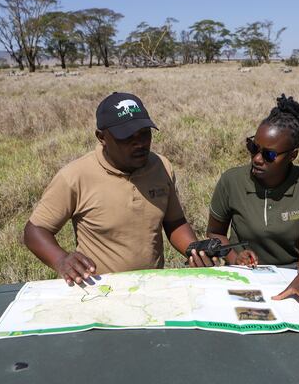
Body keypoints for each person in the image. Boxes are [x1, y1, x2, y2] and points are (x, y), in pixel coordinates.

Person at [24, 92, 216, 285]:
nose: (140, 143)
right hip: (99, 290)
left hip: (153, 287)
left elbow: (174, 223)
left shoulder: (161, 167)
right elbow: (35, 231)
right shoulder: (75, 176)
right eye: (127, 137)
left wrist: (195, 249)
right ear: (102, 137)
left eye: (144, 133)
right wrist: (61, 260)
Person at [206, 94, 299, 320]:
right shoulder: (231, 181)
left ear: (293, 155)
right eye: (253, 147)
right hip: (243, 279)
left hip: (290, 276)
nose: (257, 158)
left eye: (269, 154)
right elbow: (215, 233)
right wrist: (235, 258)